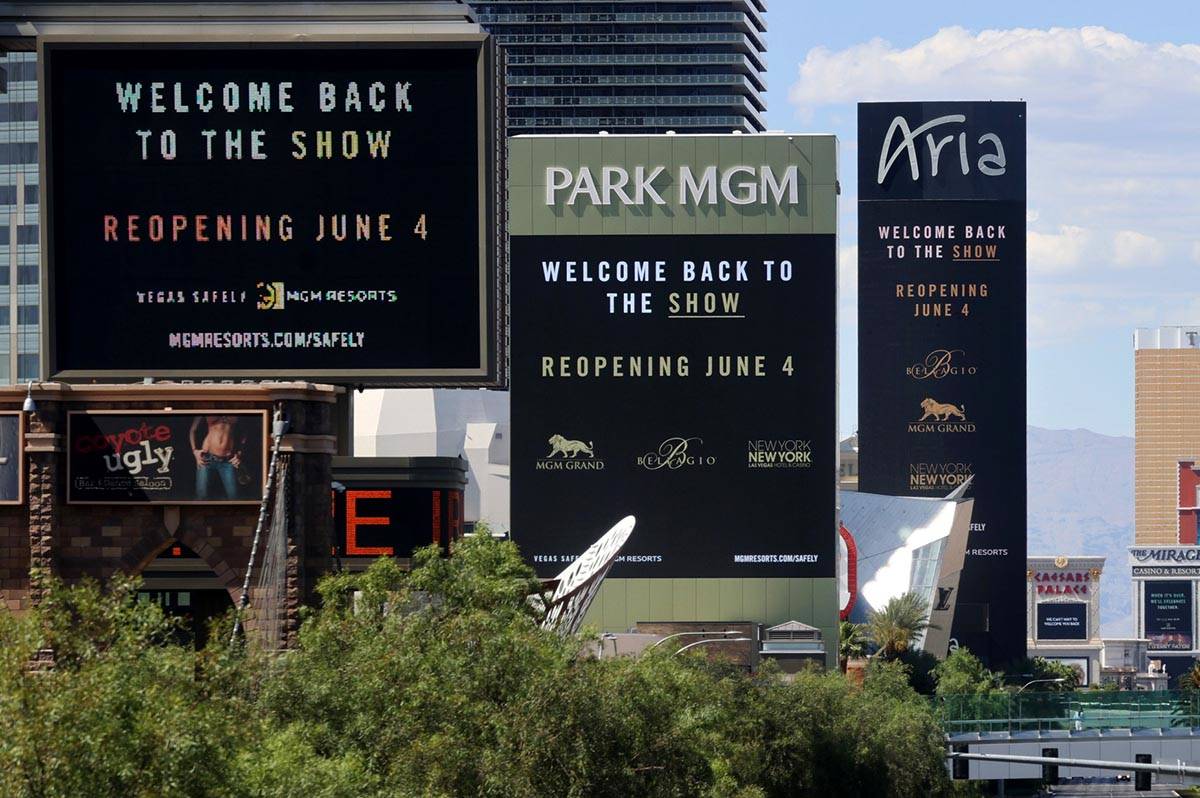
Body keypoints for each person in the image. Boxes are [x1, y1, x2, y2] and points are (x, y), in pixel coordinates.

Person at [189, 415, 247, 500]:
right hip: (207, 458)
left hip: (228, 460)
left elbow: (244, 433)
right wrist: (194, 451)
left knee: (234, 496)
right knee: (201, 496)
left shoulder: (235, 408)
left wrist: (239, 452)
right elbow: (193, 430)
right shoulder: (206, 407)